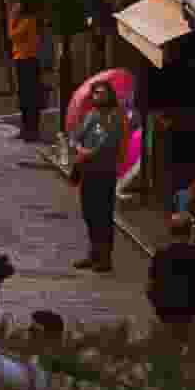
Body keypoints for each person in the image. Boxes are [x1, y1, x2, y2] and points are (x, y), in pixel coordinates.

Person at [65, 66, 134, 272]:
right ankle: (93, 253)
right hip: (88, 170)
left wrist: (89, 152)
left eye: (101, 92)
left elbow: (109, 141)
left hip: (104, 171)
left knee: (103, 214)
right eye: (95, 93)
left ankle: (105, 258)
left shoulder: (115, 116)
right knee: (89, 213)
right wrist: (79, 149)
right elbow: (76, 136)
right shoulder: (91, 115)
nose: (97, 96)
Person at [145, 208, 195, 357]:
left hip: (167, 315)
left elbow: (150, 289)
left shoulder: (160, 256)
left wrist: (161, 308)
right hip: (193, 317)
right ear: (190, 232)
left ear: (171, 232)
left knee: (167, 360)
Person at [8, 0, 43, 140]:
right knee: (24, 96)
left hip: (27, 61)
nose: (15, 6)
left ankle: (31, 130)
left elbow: (12, 35)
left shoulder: (28, 21)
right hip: (23, 60)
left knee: (29, 97)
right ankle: (26, 129)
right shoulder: (26, 20)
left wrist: (12, 17)